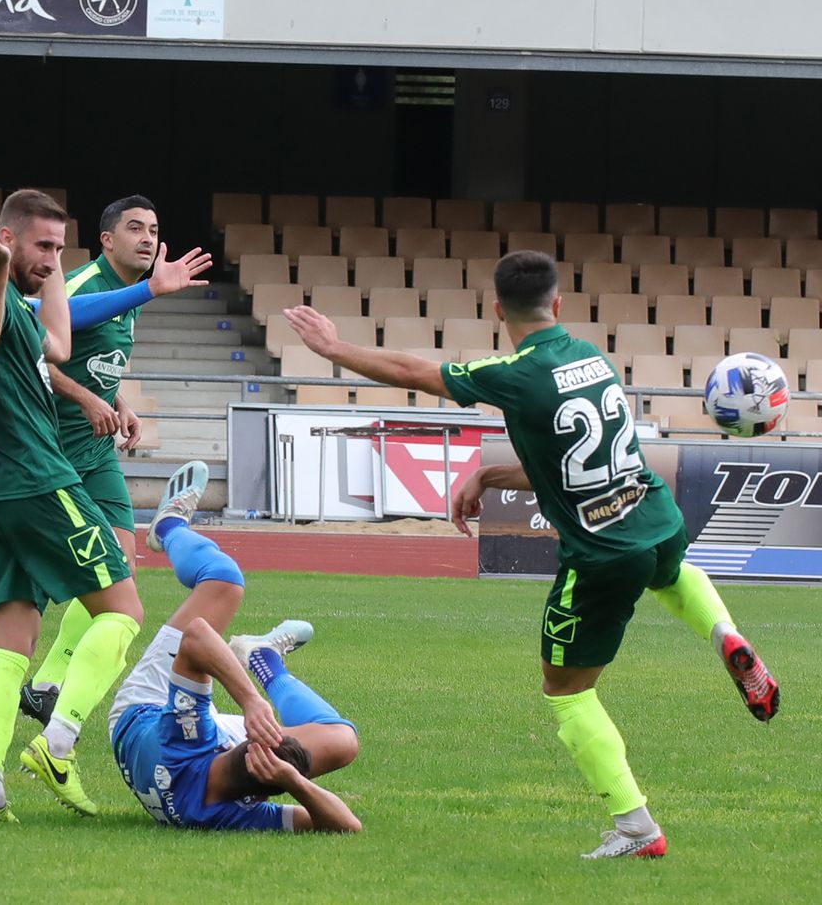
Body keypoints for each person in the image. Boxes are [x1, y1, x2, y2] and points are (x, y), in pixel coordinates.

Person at [284, 249, 780, 859]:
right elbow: (561, 462)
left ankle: (636, 828)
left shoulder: (513, 371)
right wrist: (491, 476)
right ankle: (725, 633)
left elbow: (416, 372)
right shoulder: (592, 359)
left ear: (497, 309)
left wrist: (334, 349)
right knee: (671, 573)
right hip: (657, 517)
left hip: (602, 554)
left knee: (566, 691)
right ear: (560, 305)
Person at [0, 196, 211, 731]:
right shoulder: (84, 284)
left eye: (154, 229)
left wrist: (114, 400)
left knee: (119, 569)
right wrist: (88, 399)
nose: (148, 239)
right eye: (135, 228)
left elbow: (89, 360)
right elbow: (40, 354)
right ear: (106, 240)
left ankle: (45, 686)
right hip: (45, 449)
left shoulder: (125, 297)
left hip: (92, 452)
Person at [0, 188, 147, 823]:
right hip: (35, 481)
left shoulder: (14, 289)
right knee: (122, 609)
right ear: (7, 241)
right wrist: (5, 268)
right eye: (44, 245)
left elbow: (58, 345)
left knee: (11, 642)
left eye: (61, 248)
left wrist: (48, 267)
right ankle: (57, 745)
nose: (53, 258)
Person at [110, 461, 362, 833]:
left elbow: (197, 636)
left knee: (224, 580)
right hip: (189, 765)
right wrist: (293, 781)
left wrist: (250, 702)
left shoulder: (185, 734)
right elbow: (347, 827)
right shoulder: (229, 814)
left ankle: (167, 527)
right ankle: (266, 660)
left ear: (242, 744)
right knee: (343, 741)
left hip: (144, 708)